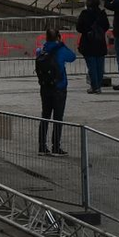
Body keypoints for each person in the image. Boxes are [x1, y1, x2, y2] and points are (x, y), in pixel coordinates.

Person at [35, 27, 76, 155]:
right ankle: (56, 146)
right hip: (59, 87)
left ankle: (42, 146)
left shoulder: (41, 50)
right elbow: (72, 57)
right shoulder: (61, 50)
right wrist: (61, 43)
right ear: (58, 37)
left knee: (45, 116)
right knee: (58, 117)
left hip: (45, 87)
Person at [75, 0, 109, 94]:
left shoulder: (84, 13)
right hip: (100, 42)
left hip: (88, 42)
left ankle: (95, 87)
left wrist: (88, 30)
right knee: (99, 66)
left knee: (92, 66)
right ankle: (98, 85)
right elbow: (106, 26)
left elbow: (79, 28)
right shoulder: (102, 13)